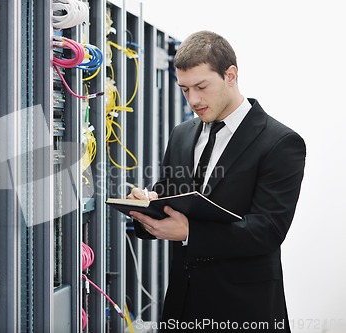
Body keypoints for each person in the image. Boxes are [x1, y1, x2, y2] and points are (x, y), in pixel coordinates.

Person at [127, 30, 306, 332]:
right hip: (182, 308)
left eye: (201, 86)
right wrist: (146, 208)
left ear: (231, 75)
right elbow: (169, 196)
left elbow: (268, 230)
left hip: (245, 310)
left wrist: (190, 232)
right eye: (184, 89)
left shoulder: (281, 142)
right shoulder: (182, 134)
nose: (193, 99)